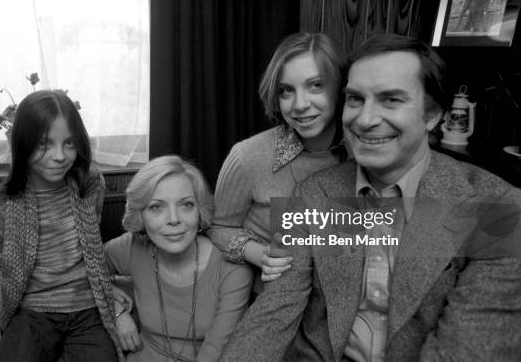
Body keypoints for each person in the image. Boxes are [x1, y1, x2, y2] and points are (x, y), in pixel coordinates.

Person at [220, 34, 521, 361]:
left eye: (391, 99)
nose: (365, 120)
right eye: (355, 99)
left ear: (433, 115)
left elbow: (467, 350)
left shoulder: (499, 208)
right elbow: (274, 312)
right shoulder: (313, 191)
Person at [0, 90, 130, 362]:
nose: (60, 156)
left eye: (69, 143)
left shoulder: (90, 184)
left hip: (88, 309)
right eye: (45, 144)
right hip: (31, 311)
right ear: (22, 143)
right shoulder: (1, 204)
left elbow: (91, 250)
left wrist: (109, 294)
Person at [207, 32, 347, 287]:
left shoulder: (364, 155)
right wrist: (258, 254)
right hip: (270, 302)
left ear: (340, 87)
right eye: (286, 91)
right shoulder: (247, 156)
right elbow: (217, 229)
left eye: (316, 85)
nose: (300, 104)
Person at [104, 155, 253, 362]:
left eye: (186, 205)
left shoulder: (232, 269)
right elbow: (83, 270)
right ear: (141, 215)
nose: (174, 219)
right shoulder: (131, 247)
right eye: (157, 207)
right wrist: (115, 307)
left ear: (199, 210)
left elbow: (214, 352)